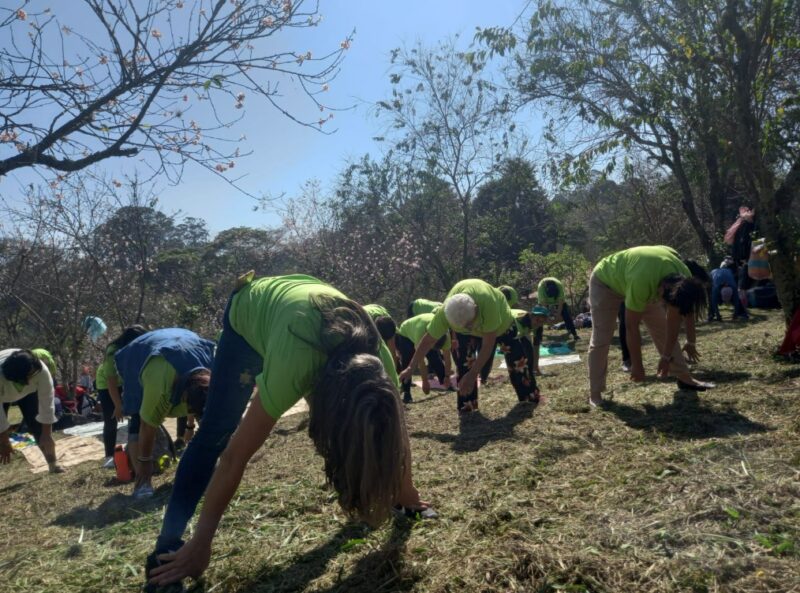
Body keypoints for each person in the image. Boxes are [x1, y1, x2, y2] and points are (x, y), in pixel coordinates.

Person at [146, 273, 433, 590]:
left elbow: (396, 432)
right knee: (217, 429)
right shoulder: (295, 364)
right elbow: (233, 458)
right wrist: (202, 542)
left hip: (301, 308)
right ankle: (168, 547)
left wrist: (408, 494)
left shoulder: (380, 366)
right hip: (248, 313)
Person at [587, 246, 713, 407]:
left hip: (639, 278)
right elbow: (631, 327)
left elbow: (674, 321)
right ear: (663, 290)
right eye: (664, 302)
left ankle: (684, 378)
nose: (661, 304)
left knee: (662, 328)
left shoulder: (685, 280)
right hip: (605, 282)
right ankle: (595, 393)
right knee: (602, 337)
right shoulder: (642, 282)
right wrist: (637, 366)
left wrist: (667, 356)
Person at [398, 279, 540, 413]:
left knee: (517, 362)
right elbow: (428, 340)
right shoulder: (445, 313)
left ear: (476, 309)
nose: (470, 329)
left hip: (502, 324)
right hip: (465, 325)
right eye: (464, 327)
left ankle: (529, 398)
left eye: (470, 324)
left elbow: (488, 345)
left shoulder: (488, 303)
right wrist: (411, 366)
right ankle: (467, 406)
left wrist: (474, 374)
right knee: (464, 364)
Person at [115, 328, 215, 498]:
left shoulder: (213, 370)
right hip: (141, 353)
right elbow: (148, 425)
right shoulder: (159, 384)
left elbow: (202, 406)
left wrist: (190, 426)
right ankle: (142, 482)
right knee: (140, 415)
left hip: (189, 343)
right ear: (183, 395)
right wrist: (145, 462)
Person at [0, 349, 64, 473]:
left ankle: (53, 464)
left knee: (38, 427)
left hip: (29, 394)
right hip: (3, 394)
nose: (30, 381)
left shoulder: (41, 371)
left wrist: (47, 434)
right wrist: (4, 440)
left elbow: (47, 404)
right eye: (27, 378)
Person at [97, 325, 148, 469]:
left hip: (126, 380)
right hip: (107, 383)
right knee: (112, 418)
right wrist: (118, 405)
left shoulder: (137, 348)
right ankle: (109, 456)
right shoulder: (113, 351)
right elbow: (111, 381)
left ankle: (135, 449)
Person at [396, 313, 453, 403]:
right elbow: (420, 362)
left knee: (434, 357)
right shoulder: (420, 335)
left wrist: (447, 376)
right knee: (407, 363)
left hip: (428, 329)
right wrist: (425, 381)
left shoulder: (446, 335)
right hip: (406, 333)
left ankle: (446, 383)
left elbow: (448, 359)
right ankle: (407, 393)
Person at [363, 303, 401, 377]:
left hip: (380, 310)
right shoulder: (363, 324)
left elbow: (392, 351)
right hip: (363, 315)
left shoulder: (389, 324)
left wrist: (394, 373)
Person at [513, 306, 550, 376]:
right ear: (531, 316)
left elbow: (536, 348)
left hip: (520, 332)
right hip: (505, 322)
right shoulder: (520, 321)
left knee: (529, 349)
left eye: (542, 322)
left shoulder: (539, 327)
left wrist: (536, 369)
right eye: (537, 320)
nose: (539, 324)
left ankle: (530, 371)